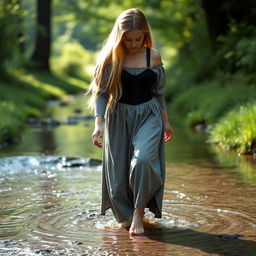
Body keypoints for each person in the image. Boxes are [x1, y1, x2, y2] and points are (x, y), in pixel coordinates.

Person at [88, 8, 173, 235]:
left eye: (139, 38)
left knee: (143, 161)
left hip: (149, 115)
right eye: (128, 39)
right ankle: (125, 218)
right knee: (118, 180)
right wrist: (98, 124)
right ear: (120, 36)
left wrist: (166, 121)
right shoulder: (110, 58)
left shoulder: (152, 56)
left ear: (145, 34)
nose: (134, 44)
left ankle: (138, 213)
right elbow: (102, 93)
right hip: (118, 116)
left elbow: (158, 92)